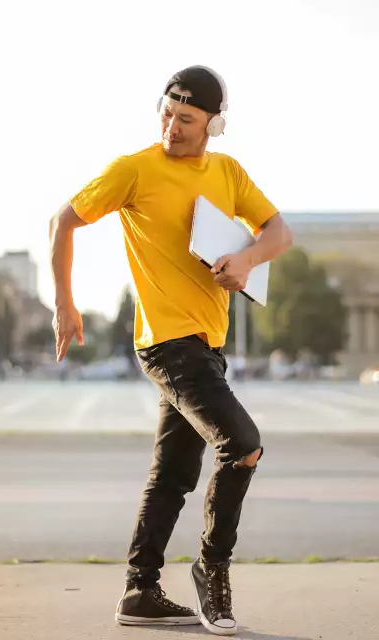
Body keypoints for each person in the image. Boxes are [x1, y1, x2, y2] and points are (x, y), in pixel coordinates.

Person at [49, 65, 292, 636]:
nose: (172, 127)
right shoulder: (134, 170)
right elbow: (64, 221)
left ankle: (140, 591)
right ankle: (212, 568)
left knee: (174, 473)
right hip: (165, 341)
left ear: (215, 124)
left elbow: (279, 230)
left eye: (186, 119)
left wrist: (248, 259)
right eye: (166, 113)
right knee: (243, 445)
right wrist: (65, 304)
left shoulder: (228, 172)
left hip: (207, 344)